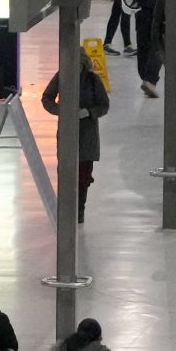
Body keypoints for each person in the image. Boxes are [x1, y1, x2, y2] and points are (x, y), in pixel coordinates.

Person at [40, 49, 109, 223]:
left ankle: (79, 210)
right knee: (65, 171)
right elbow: (47, 98)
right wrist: (61, 111)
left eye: (78, 66)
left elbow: (104, 105)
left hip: (87, 135)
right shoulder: (61, 77)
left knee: (83, 174)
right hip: (66, 132)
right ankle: (65, 209)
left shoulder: (93, 80)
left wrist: (89, 112)